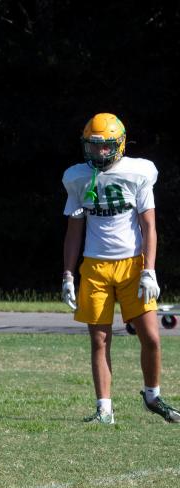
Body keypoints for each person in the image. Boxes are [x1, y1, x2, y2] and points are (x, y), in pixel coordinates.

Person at [61, 113, 179, 425]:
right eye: (94, 146)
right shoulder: (76, 176)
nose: (99, 153)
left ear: (119, 144)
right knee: (99, 339)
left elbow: (149, 226)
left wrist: (149, 269)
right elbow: (74, 229)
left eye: (105, 147)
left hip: (131, 265)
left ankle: (152, 395)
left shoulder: (139, 173)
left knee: (151, 338)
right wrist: (68, 274)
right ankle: (104, 409)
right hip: (95, 265)